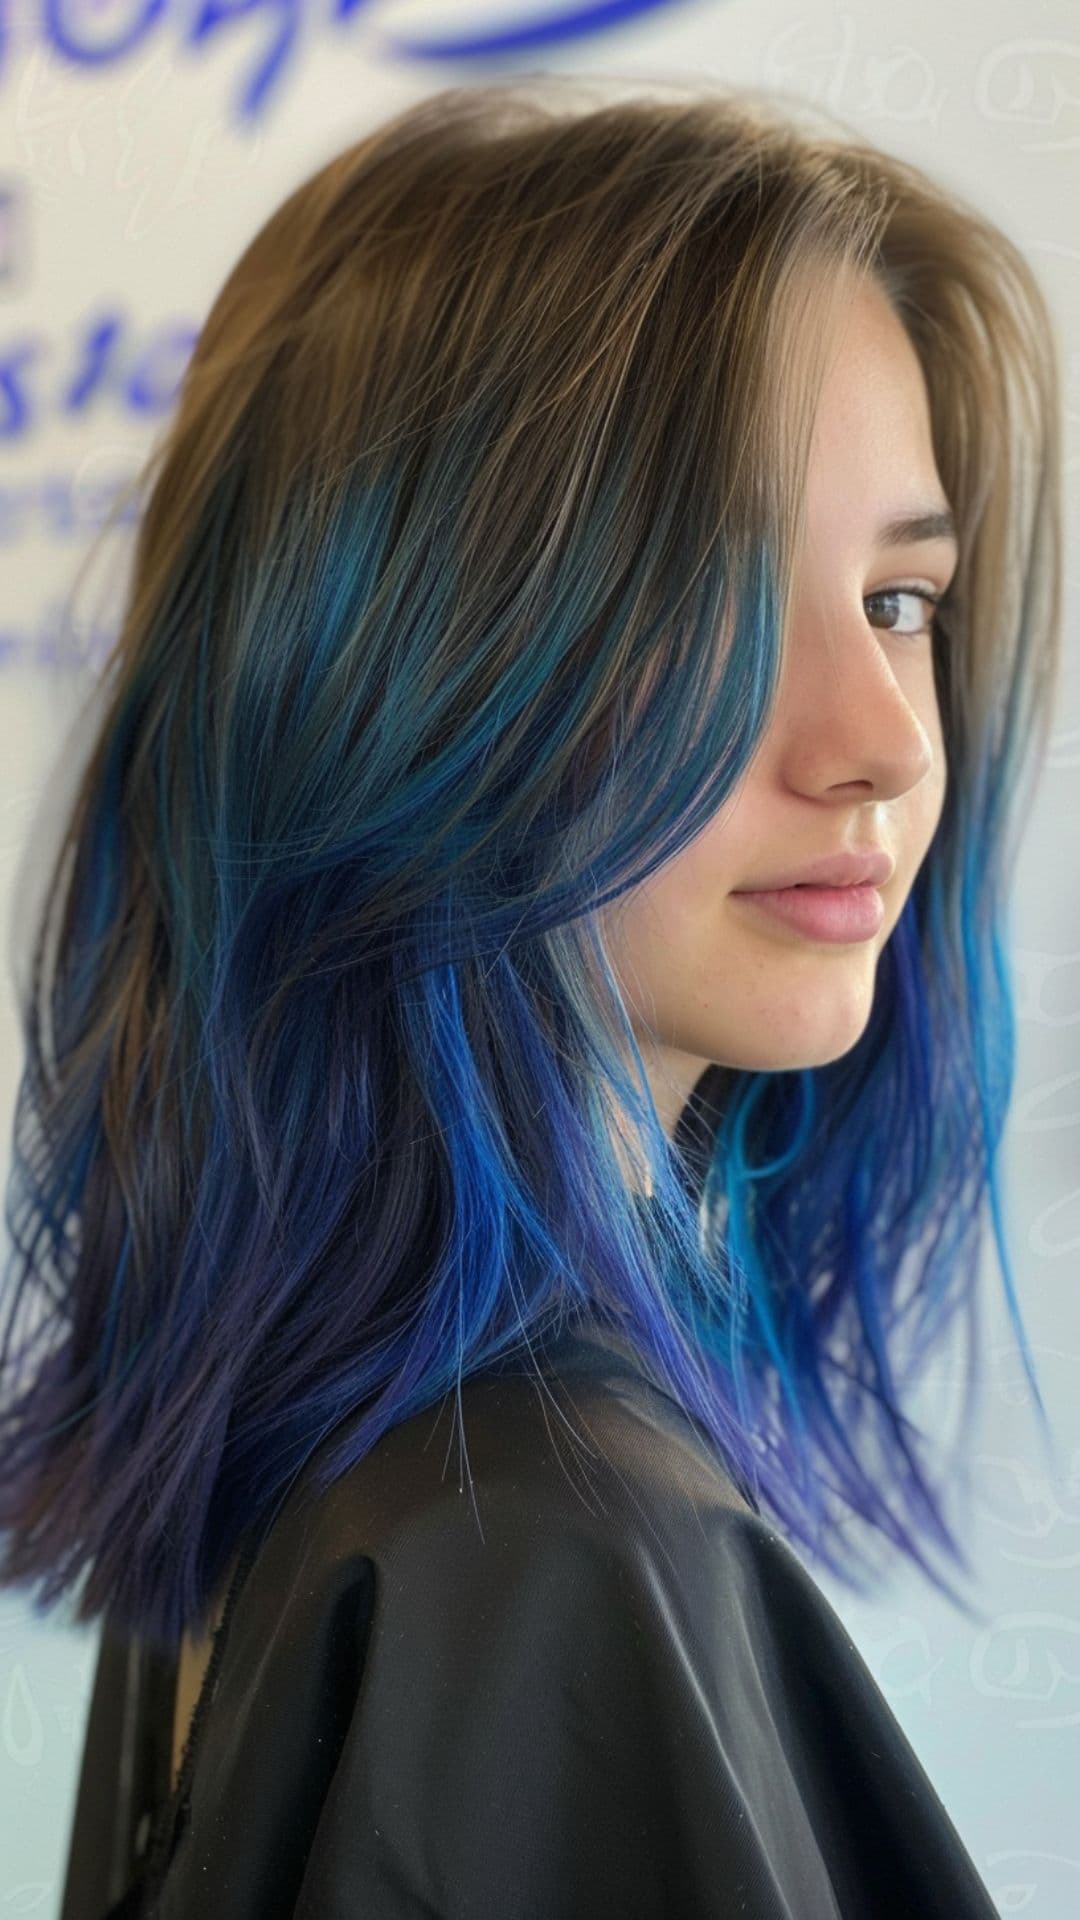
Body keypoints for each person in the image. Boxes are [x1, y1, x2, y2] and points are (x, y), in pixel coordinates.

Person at [0, 73, 1064, 1919]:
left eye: (902, 600)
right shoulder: (549, 1548)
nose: (887, 741)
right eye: (712, 596)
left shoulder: (332, 1448)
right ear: (389, 672)